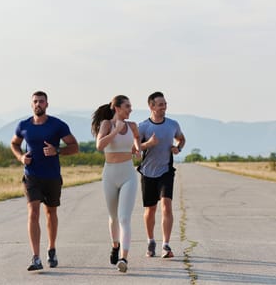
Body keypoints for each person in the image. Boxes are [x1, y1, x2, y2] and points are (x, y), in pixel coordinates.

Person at [11, 91, 79, 271]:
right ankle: (36, 257)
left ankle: (52, 248)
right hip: (32, 175)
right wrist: (20, 157)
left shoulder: (57, 125)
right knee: (33, 212)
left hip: (52, 176)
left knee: (51, 213)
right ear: (31, 104)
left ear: (47, 104)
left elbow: (74, 147)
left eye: (41, 101)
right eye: (35, 102)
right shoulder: (23, 125)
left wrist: (57, 151)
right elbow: (14, 143)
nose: (38, 104)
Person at [91, 95, 141, 273]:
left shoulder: (132, 125)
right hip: (110, 174)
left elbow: (136, 137)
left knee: (124, 218)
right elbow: (99, 145)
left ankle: (124, 258)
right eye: (127, 106)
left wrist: (138, 149)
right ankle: (115, 245)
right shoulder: (106, 124)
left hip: (128, 174)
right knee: (113, 217)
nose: (130, 109)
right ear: (117, 108)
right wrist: (115, 131)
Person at [138, 91, 186, 258]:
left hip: (166, 171)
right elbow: (134, 148)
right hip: (147, 172)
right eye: (160, 104)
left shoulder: (173, 124)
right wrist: (148, 144)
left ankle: (166, 245)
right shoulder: (143, 126)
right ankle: (151, 241)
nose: (164, 107)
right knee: (150, 209)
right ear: (151, 106)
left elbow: (181, 139)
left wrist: (178, 148)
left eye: (165, 104)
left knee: (166, 205)